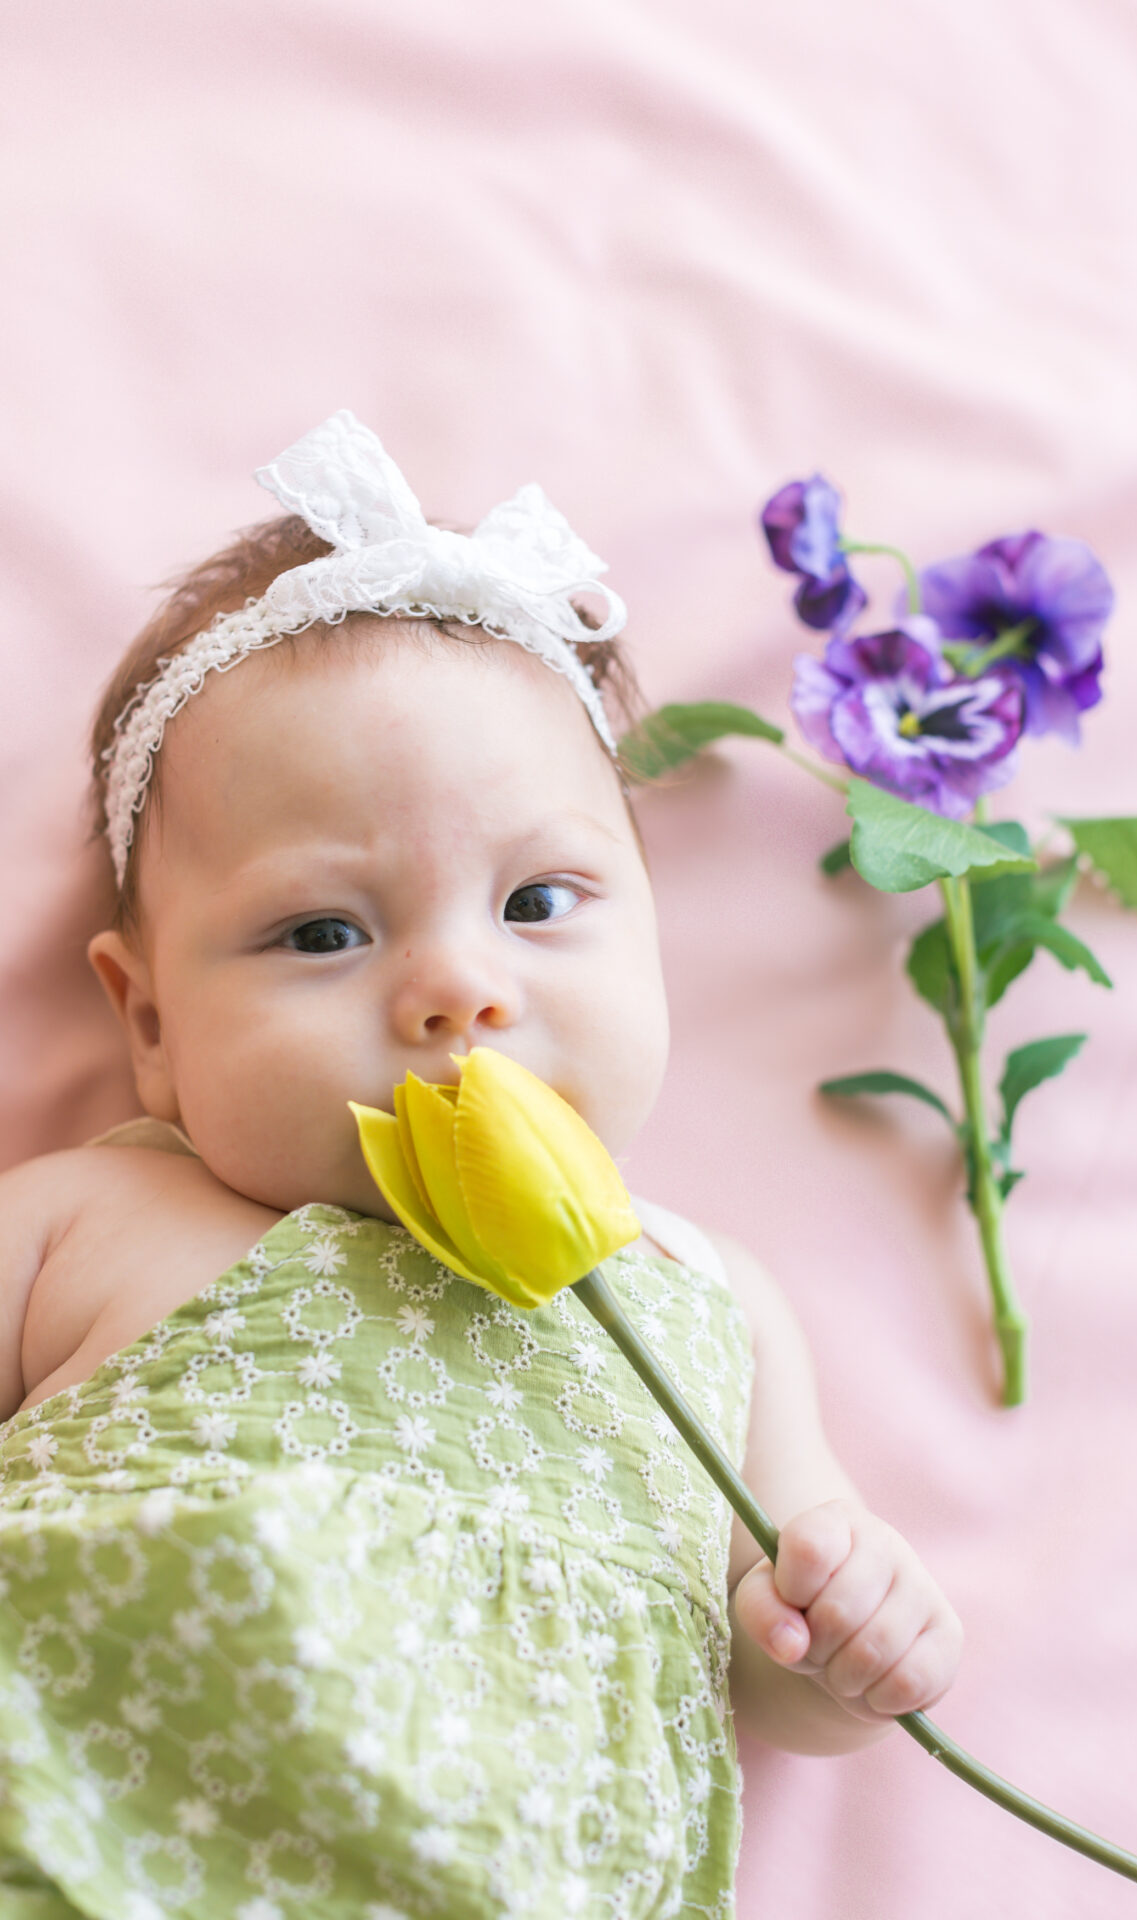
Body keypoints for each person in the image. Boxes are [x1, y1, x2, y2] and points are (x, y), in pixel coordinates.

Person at [0, 413, 962, 1917]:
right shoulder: (102, 1216)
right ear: (151, 1024)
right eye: (324, 931)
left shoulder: (709, 1301)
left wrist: (843, 1641)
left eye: (538, 899)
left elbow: (773, 1679)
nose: (458, 988)